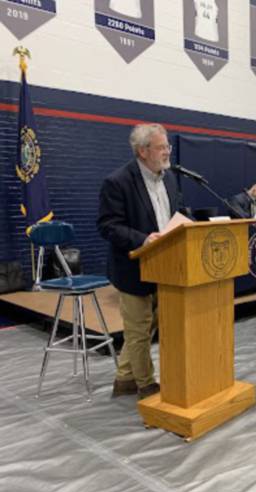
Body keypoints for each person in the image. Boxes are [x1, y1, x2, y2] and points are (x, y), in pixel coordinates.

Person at [97, 123, 180, 399]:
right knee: (139, 330)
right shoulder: (118, 181)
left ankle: (123, 379)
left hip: (164, 266)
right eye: (161, 147)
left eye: (167, 146)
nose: (168, 152)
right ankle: (145, 384)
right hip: (132, 266)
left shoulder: (169, 178)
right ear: (143, 151)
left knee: (143, 326)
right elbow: (108, 226)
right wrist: (142, 239)